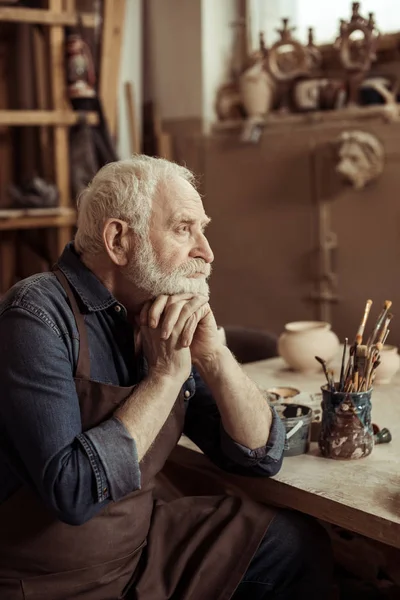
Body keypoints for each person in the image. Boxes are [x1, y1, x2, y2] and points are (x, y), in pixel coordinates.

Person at [0, 156, 333, 600]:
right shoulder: (35, 317)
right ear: (118, 240)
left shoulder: (157, 308)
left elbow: (256, 455)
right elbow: (72, 493)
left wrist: (214, 357)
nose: (206, 251)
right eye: (183, 229)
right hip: (49, 581)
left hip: (139, 550)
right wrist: (163, 378)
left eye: (203, 228)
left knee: (291, 543)